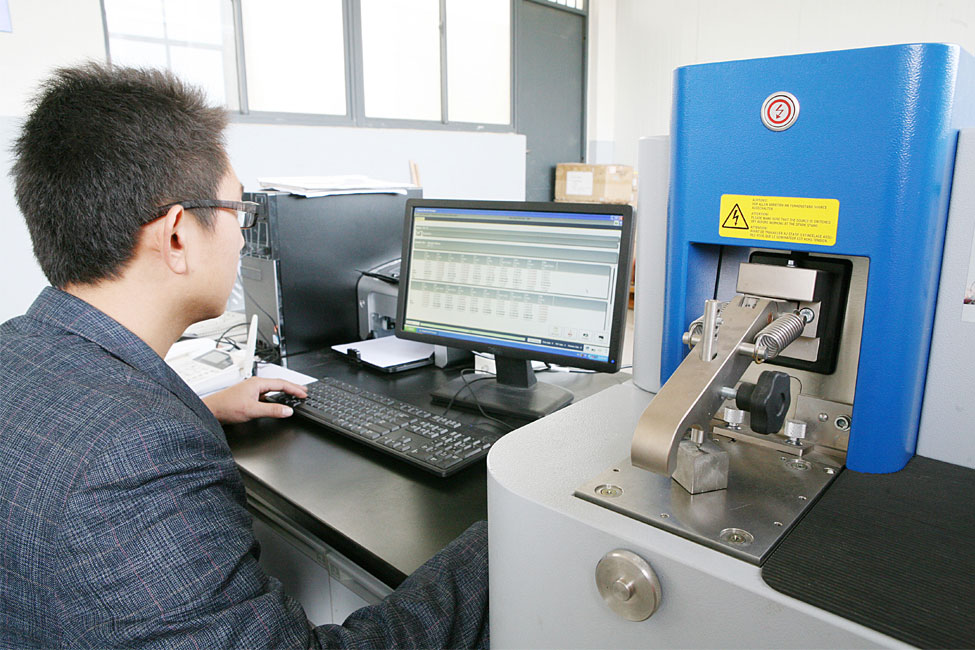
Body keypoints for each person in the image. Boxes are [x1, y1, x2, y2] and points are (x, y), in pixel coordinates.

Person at [0, 63, 489, 649]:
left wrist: (199, 411)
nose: (240, 236)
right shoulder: (134, 455)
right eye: (238, 211)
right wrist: (497, 539)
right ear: (177, 235)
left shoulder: (17, 352)